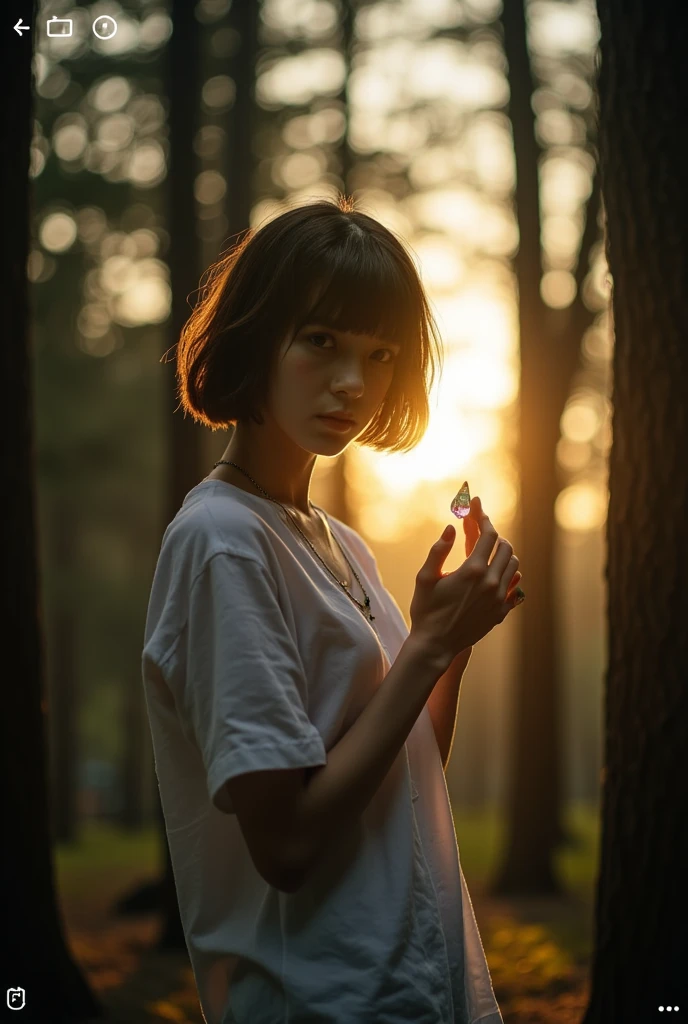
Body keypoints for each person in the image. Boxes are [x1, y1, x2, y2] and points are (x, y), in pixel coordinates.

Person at [142, 196, 523, 1024]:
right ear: (255, 335)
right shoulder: (223, 543)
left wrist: (450, 643)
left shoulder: (338, 543)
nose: (353, 383)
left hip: (418, 985)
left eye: (380, 354)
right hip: (320, 999)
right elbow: (287, 847)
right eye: (321, 341)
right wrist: (422, 648)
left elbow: (409, 771)